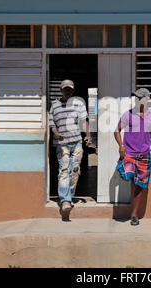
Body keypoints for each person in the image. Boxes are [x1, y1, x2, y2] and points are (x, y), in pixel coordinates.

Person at [114, 88, 151, 226]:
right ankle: (133, 210)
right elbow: (117, 131)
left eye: (139, 97)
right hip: (129, 155)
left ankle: (134, 215)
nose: (137, 100)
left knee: (139, 185)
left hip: (144, 156)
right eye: (136, 97)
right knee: (129, 178)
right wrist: (121, 145)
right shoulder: (128, 115)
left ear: (146, 100)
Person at [49, 79, 90, 218]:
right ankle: (65, 200)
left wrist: (88, 135)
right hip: (62, 144)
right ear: (61, 89)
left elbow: (84, 121)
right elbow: (52, 123)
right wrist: (56, 133)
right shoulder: (54, 105)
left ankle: (69, 196)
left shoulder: (79, 104)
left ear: (73, 90)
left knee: (75, 171)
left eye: (70, 89)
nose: (68, 91)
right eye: (66, 89)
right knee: (64, 170)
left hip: (77, 142)